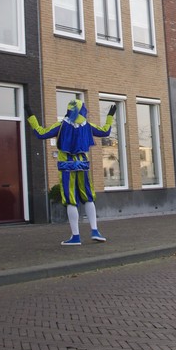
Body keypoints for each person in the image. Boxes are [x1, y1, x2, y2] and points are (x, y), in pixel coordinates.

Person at [25, 99, 116, 245]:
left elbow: (41, 133)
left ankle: (76, 236)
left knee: (70, 199)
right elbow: (105, 131)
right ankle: (95, 231)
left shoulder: (61, 125)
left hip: (66, 166)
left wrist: (31, 116)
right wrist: (110, 116)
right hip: (82, 165)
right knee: (88, 197)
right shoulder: (87, 125)